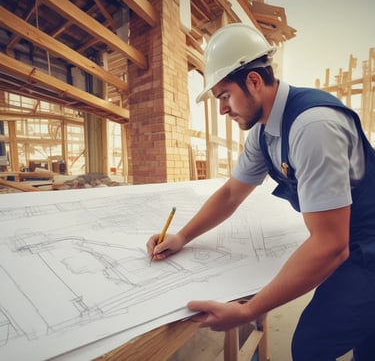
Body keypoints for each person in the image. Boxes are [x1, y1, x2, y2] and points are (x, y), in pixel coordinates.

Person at [147, 23, 375, 361]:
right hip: (351, 237)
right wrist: (182, 236)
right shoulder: (264, 133)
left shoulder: (313, 127)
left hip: (368, 246)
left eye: (224, 95)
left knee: (312, 345)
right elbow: (230, 195)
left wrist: (246, 310)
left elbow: (330, 246)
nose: (221, 108)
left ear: (254, 81)